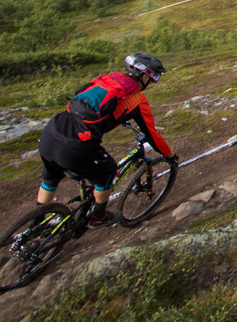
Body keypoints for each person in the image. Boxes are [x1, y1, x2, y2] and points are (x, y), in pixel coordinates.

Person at [36, 53, 174, 228]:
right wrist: (170, 155)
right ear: (145, 76)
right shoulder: (137, 99)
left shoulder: (109, 79)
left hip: (52, 131)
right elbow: (152, 136)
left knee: (50, 178)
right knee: (108, 172)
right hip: (75, 145)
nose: (152, 83)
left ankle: (36, 225)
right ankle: (98, 216)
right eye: (153, 79)